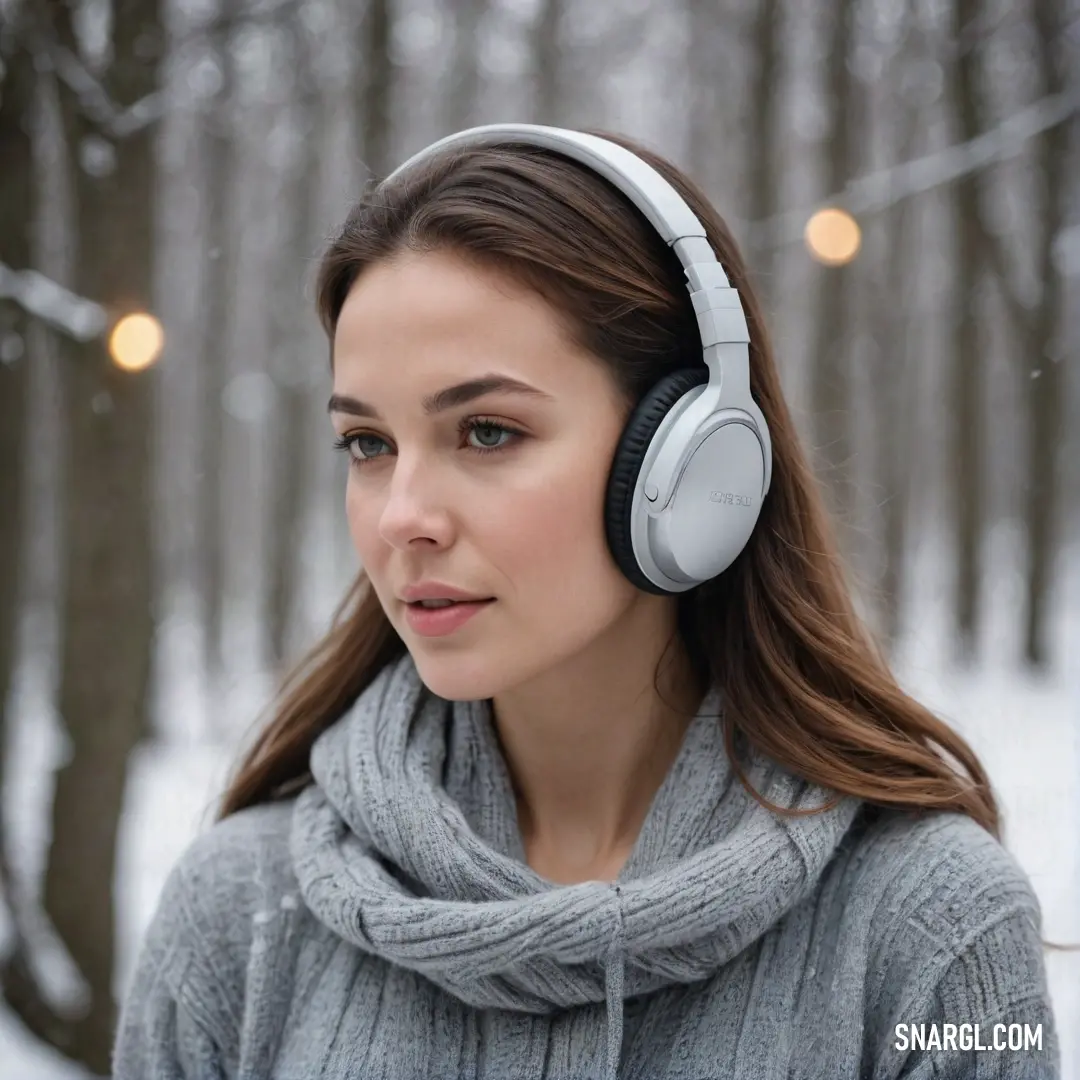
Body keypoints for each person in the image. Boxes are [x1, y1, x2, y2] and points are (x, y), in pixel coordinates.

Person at [113, 125, 1060, 1079]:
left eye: (486, 431)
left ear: (693, 460)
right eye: (368, 444)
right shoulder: (237, 913)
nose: (403, 517)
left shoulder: (934, 931)